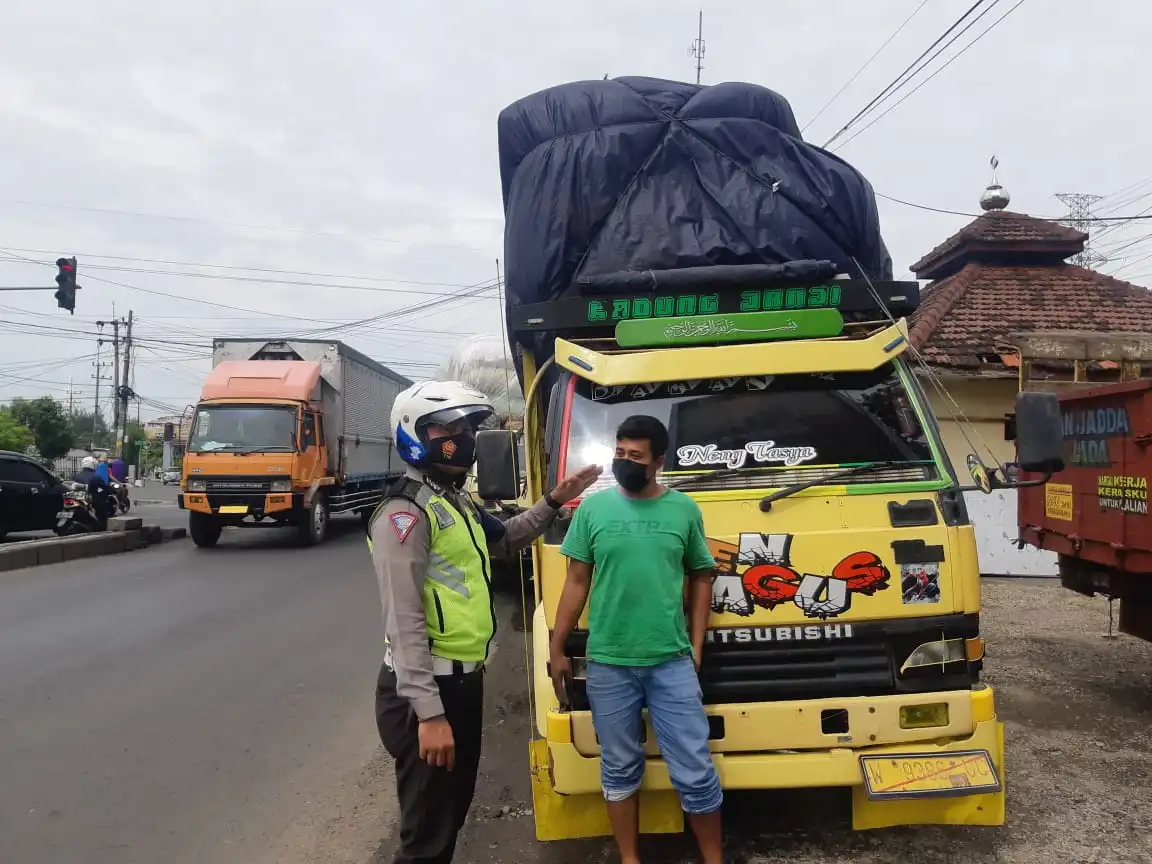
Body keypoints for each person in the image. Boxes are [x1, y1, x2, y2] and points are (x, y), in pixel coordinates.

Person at [367, 380, 601, 864]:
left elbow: (507, 538)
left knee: (449, 816)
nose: (464, 438)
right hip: (426, 693)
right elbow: (404, 620)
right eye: (448, 428)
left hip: (462, 683)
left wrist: (554, 500)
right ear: (414, 433)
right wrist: (429, 715)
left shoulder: (451, 499)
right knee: (426, 833)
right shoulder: (404, 513)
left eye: (467, 428)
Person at [549, 415, 723, 864]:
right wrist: (558, 646)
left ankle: (713, 858)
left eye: (636, 456)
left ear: (658, 462)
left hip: (670, 662)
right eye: (620, 452)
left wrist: (695, 645)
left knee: (696, 769)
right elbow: (575, 581)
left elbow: (702, 576)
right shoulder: (593, 510)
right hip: (609, 663)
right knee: (620, 769)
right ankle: (630, 859)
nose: (625, 461)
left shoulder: (683, 510)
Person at [74, 456, 113, 524]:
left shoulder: (77, 476)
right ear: (93, 465)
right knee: (104, 505)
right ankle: (101, 523)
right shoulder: (95, 476)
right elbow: (105, 487)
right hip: (90, 499)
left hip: (77, 498)